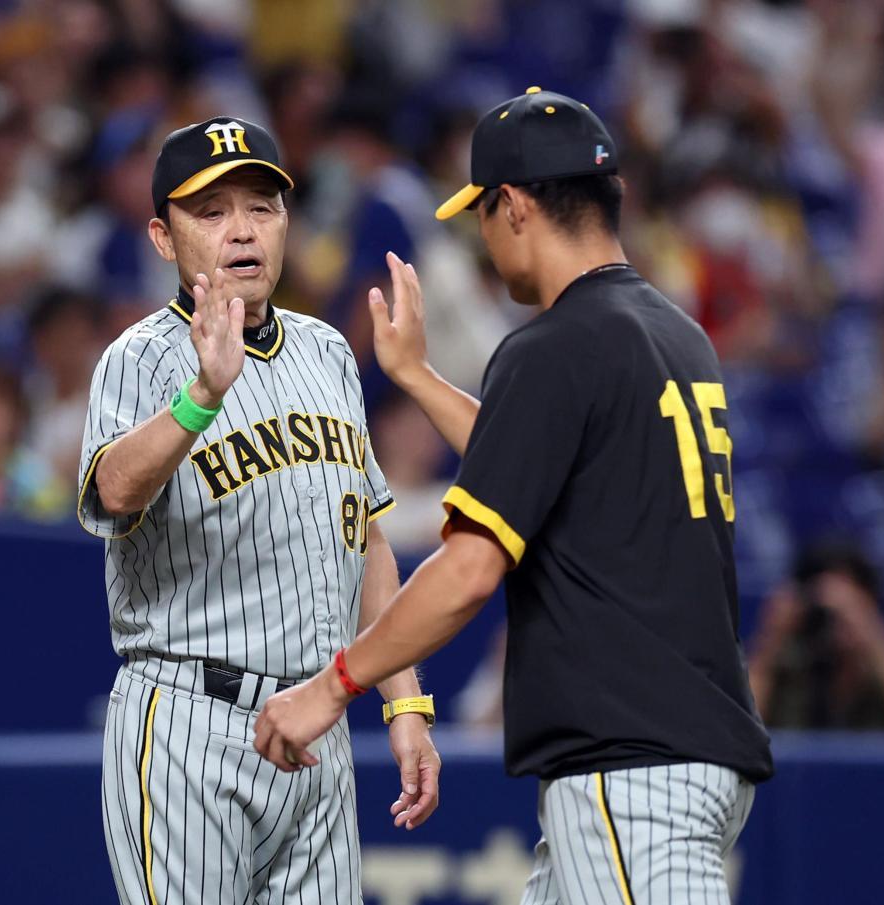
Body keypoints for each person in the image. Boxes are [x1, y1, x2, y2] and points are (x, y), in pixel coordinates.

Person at [253, 87, 774, 904]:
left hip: (630, 765)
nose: (486, 239)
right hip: (678, 750)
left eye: (484, 215)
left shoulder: (557, 346)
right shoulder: (677, 335)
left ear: (517, 205)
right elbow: (539, 455)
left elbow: (467, 573)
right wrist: (421, 380)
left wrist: (331, 688)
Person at [77, 116, 440, 905]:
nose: (241, 230)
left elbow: (365, 538)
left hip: (318, 726)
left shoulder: (327, 351)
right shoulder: (138, 357)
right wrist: (201, 398)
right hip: (188, 726)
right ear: (163, 238)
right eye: (211, 212)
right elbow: (113, 491)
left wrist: (405, 701)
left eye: (262, 207)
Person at [747, 542, 884, 732]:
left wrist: (871, 633)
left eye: (853, 604)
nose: (839, 617)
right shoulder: (783, 669)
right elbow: (740, 734)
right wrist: (771, 639)